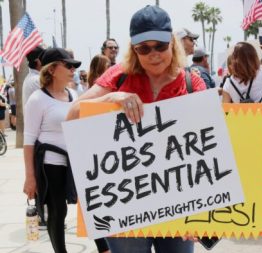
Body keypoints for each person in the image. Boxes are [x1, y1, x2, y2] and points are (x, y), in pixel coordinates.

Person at [66, 5, 206, 252]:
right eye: (144, 48)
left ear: (172, 44)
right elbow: (72, 115)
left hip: (179, 204)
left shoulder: (191, 83)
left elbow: (209, 146)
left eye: (160, 46)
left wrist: (203, 212)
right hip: (126, 207)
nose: (153, 54)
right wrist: (112, 98)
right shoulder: (118, 76)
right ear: (134, 50)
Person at [23, 47, 81, 253]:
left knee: (89, 205)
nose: (73, 69)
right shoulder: (38, 99)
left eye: (74, 66)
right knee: (58, 211)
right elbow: (29, 140)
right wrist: (30, 177)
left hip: (75, 162)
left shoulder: (74, 94)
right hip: (51, 163)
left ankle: (104, 248)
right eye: (68, 65)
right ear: (52, 69)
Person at [222, 14, 262, 103]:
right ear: (253, 57)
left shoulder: (228, 83)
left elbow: (224, 111)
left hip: (239, 117)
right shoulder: (261, 73)